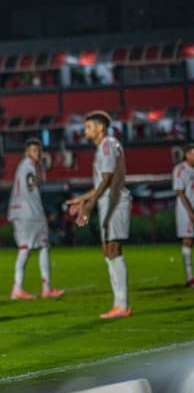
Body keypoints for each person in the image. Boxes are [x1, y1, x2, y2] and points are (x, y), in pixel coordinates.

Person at [66, 111, 132, 319]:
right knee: (108, 252)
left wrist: (89, 205)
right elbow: (100, 184)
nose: (85, 131)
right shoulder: (104, 147)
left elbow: (107, 179)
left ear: (100, 128)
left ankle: (122, 305)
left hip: (115, 202)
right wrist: (83, 199)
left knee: (114, 250)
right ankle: (118, 304)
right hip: (107, 201)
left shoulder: (107, 145)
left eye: (88, 127)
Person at [7, 138, 64, 300]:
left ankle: (18, 288)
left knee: (25, 248)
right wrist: (42, 169)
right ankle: (45, 288)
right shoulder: (30, 166)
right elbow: (36, 183)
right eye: (33, 150)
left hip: (17, 212)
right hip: (31, 213)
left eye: (38, 151)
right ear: (27, 152)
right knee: (43, 246)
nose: (37, 154)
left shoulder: (21, 166)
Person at [172, 143, 194, 287]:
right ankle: (190, 276)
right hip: (186, 211)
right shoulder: (180, 170)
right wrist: (190, 212)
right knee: (188, 240)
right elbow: (180, 191)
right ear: (186, 155)